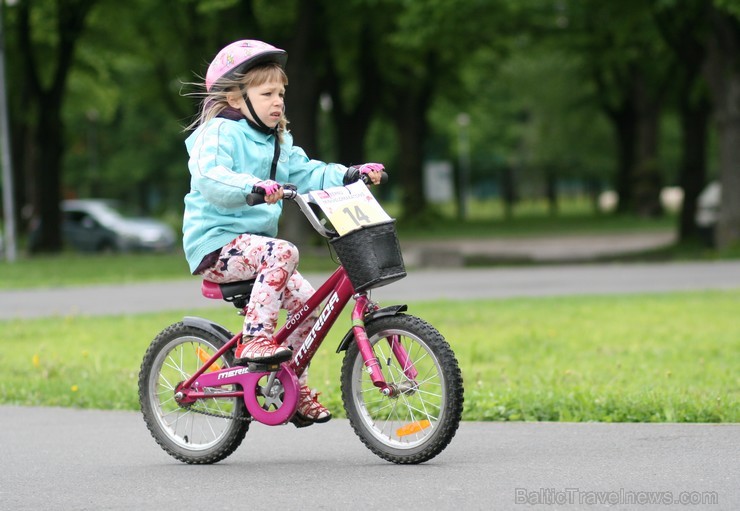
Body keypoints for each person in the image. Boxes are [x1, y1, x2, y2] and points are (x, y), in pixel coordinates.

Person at [182, 40, 384, 423]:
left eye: (281, 94)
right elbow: (210, 176)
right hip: (217, 245)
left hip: (256, 249)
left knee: (309, 307)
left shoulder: (277, 142)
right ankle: (256, 338)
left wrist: (349, 174)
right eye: (267, 93)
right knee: (284, 252)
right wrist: (252, 188)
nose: (278, 102)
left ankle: (291, 384)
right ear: (237, 98)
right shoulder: (219, 134)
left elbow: (309, 172)